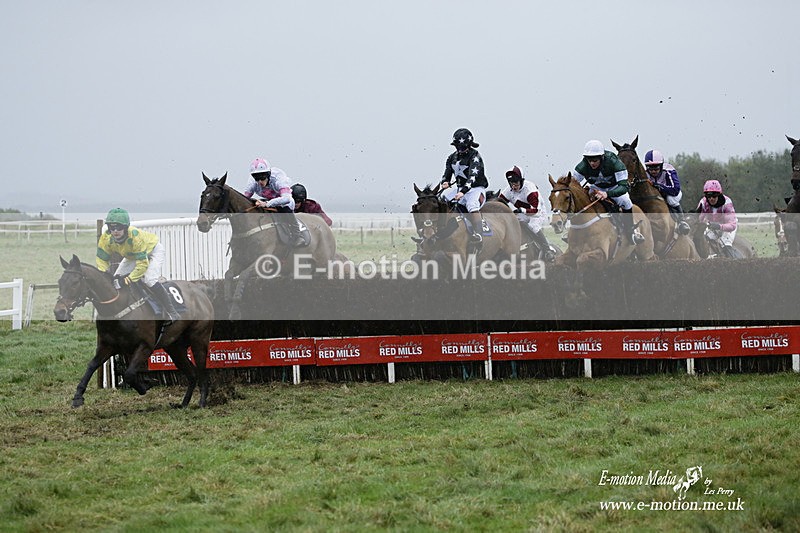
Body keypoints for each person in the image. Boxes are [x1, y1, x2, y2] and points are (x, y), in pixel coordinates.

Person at [96, 208, 181, 323]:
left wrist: (128, 280)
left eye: (119, 227)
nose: (115, 231)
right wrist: (103, 275)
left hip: (153, 250)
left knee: (149, 280)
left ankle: (172, 312)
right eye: (112, 227)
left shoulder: (135, 237)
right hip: (132, 255)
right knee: (115, 280)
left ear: (126, 228)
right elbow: (102, 259)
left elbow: (142, 264)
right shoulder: (106, 238)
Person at [573, 139, 644, 245]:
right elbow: (571, 184)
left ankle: (630, 232)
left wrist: (607, 194)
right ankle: (574, 231)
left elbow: (624, 187)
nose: (592, 163)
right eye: (589, 160)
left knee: (626, 201)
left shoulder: (615, 162)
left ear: (602, 157)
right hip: (596, 187)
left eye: (595, 160)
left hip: (614, 187)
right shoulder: (582, 166)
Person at [439, 128, 489, 242]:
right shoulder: (452, 157)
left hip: (476, 189)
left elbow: (472, 178)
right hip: (460, 189)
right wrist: (445, 181)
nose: (460, 150)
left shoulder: (475, 157)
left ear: (469, 145)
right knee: (443, 202)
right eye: (458, 147)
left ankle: (478, 235)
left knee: (472, 205)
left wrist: (463, 192)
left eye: (462, 147)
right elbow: (447, 172)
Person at [498, 165, 556, 261]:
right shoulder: (508, 190)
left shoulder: (530, 190)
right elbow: (499, 202)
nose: (514, 186)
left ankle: (547, 250)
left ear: (521, 180)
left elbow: (535, 211)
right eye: (511, 183)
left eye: (516, 182)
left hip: (537, 213)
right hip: (523, 212)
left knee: (533, 226)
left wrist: (522, 210)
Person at [247, 158, 304, 247]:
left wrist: (267, 204)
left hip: (285, 202)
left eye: (262, 178)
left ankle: (298, 236)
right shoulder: (252, 183)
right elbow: (245, 197)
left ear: (268, 175)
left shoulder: (278, 179)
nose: (260, 182)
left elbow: (286, 199)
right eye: (257, 179)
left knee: (285, 208)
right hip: (269, 200)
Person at [643, 149, 691, 235]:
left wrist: (658, 186)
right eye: (650, 168)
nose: (653, 171)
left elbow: (675, 190)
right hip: (656, 195)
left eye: (656, 168)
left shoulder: (669, 170)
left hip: (672, 193)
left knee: (670, 200)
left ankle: (681, 221)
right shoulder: (645, 174)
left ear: (661, 166)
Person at [696, 179, 739, 258]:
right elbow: (698, 220)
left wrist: (719, 226)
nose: (711, 198)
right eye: (709, 196)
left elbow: (732, 225)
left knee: (725, 245)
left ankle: (737, 264)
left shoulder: (727, 203)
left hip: (728, 227)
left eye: (714, 196)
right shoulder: (703, 202)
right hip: (712, 226)